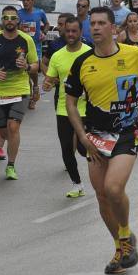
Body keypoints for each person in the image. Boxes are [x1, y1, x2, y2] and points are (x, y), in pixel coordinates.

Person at [64, 6, 138, 274]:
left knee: (114, 188)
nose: (94, 28)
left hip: (128, 132)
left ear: (112, 28)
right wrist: (82, 136)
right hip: (95, 136)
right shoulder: (82, 62)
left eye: (100, 23)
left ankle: (126, 236)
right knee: (102, 196)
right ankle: (120, 247)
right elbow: (71, 103)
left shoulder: (133, 54)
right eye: (92, 23)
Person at [0, 5, 39, 180]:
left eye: (13, 18)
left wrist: (28, 66)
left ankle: (11, 165)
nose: (10, 21)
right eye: (6, 18)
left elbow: (36, 65)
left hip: (20, 88)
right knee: (4, 130)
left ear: (18, 21)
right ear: (2, 20)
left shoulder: (26, 40)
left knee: (13, 127)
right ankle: (3, 134)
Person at [43, 15, 91, 198]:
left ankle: (101, 173)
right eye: (68, 31)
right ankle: (77, 184)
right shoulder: (57, 55)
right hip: (64, 108)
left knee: (82, 147)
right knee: (66, 148)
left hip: (86, 108)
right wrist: (47, 84)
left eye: (74, 31)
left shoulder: (89, 53)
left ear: (80, 32)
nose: (70, 34)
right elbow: (49, 80)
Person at [18, 0, 49, 109]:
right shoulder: (19, 14)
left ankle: (35, 86)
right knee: (24, 69)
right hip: (22, 45)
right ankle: (30, 93)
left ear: (32, 1)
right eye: (24, 0)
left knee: (34, 69)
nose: (26, 2)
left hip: (36, 45)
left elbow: (47, 24)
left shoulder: (39, 12)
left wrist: (43, 32)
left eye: (28, 0)